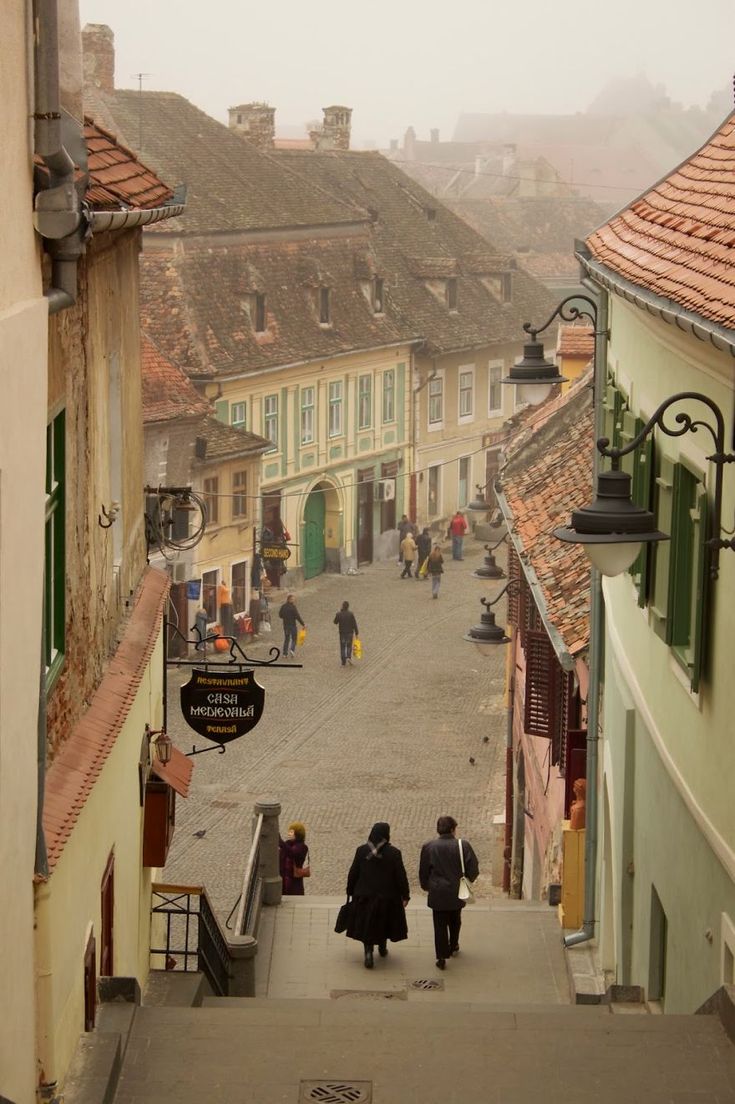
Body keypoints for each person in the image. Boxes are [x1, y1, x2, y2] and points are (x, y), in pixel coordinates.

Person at [343, 822, 409, 969]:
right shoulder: (394, 853)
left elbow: (353, 873)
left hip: (364, 896)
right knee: (384, 922)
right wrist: (405, 895)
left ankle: (368, 952)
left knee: (367, 924)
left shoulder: (361, 851)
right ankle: (382, 947)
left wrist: (350, 891)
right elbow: (400, 876)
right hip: (387, 897)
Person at [419, 815, 479, 970]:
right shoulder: (462, 845)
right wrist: (467, 881)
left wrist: (426, 886)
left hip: (437, 891)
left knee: (439, 924)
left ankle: (441, 956)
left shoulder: (429, 847)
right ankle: (453, 945)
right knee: (455, 918)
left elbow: (424, 871)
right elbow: (473, 868)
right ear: (453, 829)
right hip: (456, 890)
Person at [279, 822, 309, 896]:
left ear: (298, 833)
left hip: (294, 882)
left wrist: (280, 842)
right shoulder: (287, 844)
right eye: (289, 831)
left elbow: (292, 853)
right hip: (283, 880)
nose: (289, 833)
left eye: (291, 832)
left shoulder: (302, 847)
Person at [278, 593, 305, 657]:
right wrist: (303, 624)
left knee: (287, 639)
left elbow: (280, 615)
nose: (294, 600)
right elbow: (297, 616)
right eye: (293, 599)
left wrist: (285, 617)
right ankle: (292, 650)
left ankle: (285, 653)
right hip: (292, 625)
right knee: (294, 638)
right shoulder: (293, 607)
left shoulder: (283, 606)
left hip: (286, 625)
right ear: (289, 600)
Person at [334, 600, 359, 666]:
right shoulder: (351, 614)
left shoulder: (339, 614)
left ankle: (343, 661)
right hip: (350, 633)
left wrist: (338, 613)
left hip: (342, 633)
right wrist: (357, 633)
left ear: (342, 606)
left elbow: (335, 622)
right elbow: (354, 624)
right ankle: (348, 656)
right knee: (348, 646)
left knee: (342, 646)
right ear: (348, 607)